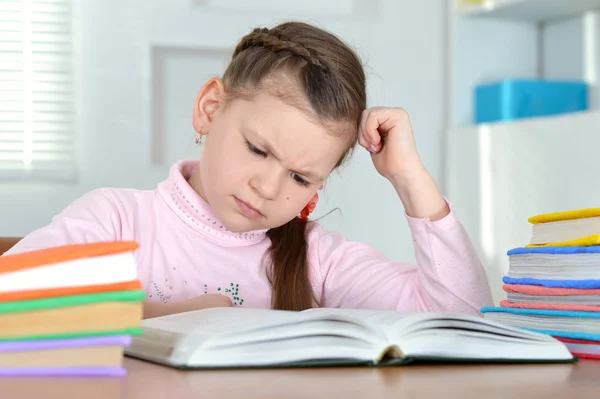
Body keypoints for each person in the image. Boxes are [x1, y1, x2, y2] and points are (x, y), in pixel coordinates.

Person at [5, 22, 493, 318]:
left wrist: (410, 179)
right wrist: (165, 319)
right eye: (258, 150)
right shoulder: (116, 219)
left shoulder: (315, 258)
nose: (267, 186)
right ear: (211, 107)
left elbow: (463, 319)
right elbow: (14, 302)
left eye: (301, 178)